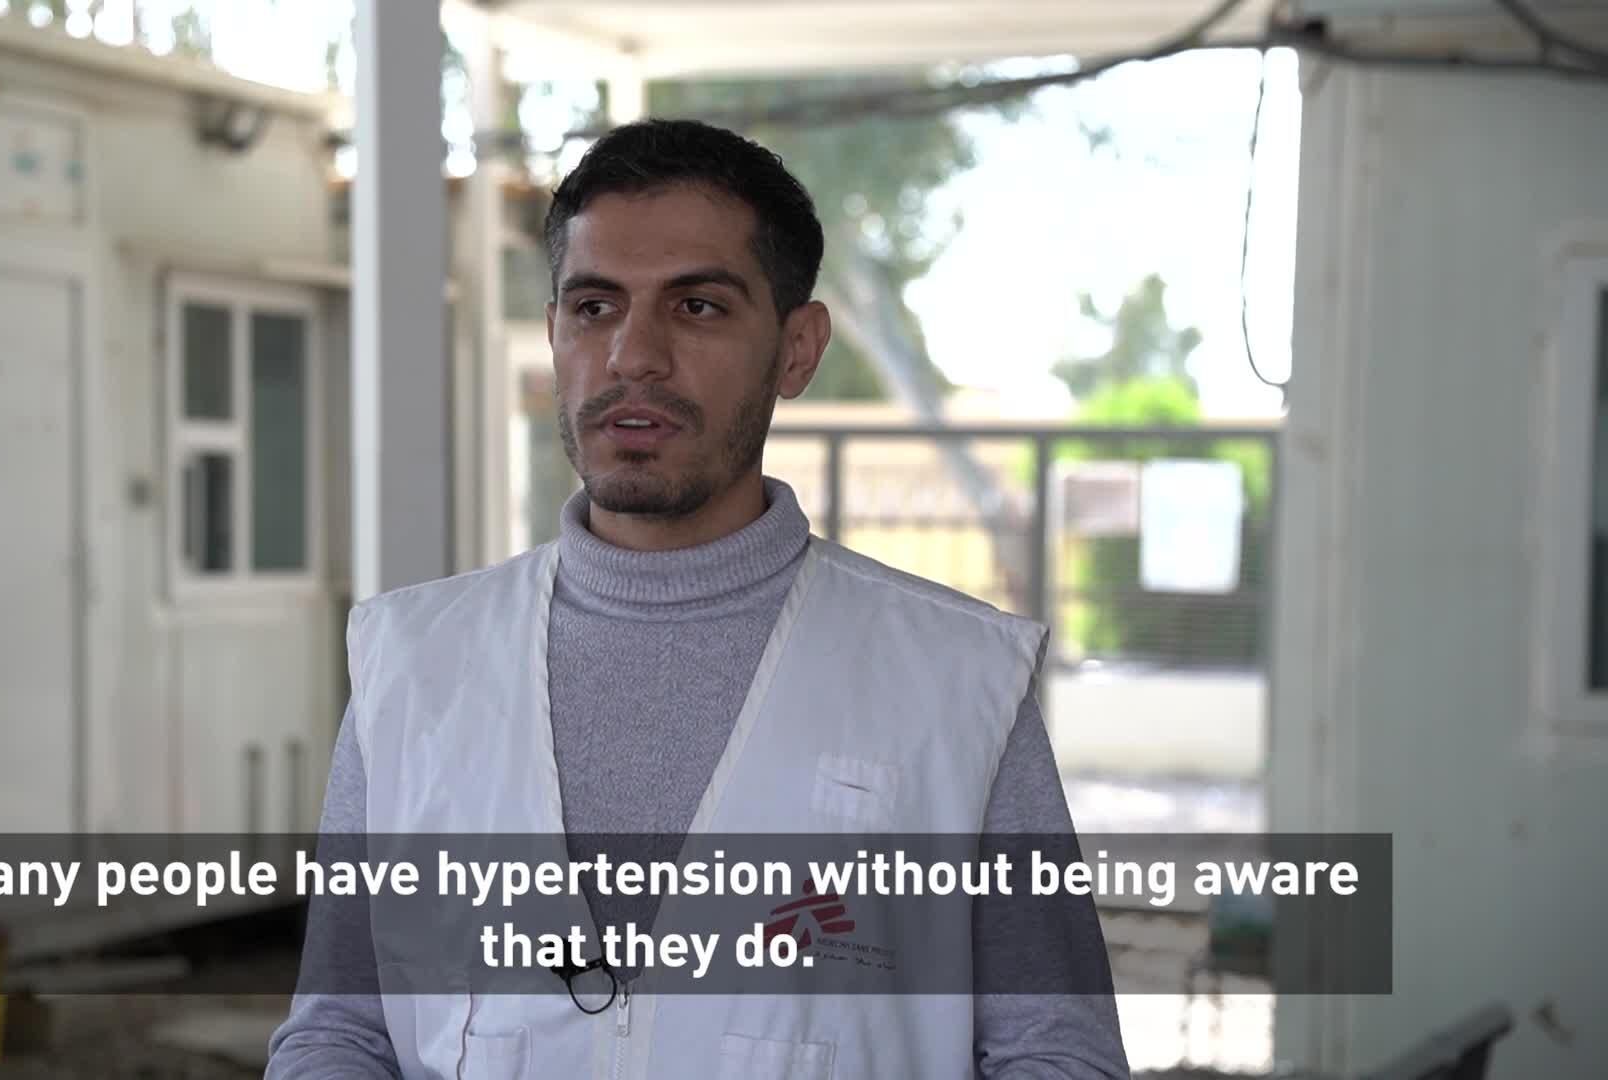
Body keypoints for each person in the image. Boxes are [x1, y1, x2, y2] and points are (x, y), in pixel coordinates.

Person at [268, 118, 1129, 1078]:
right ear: (553, 333)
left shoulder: (956, 680)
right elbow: (338, 1030)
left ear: (796, 350)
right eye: (595, 306)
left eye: (698, 306)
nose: (633, 355)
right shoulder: (413, 665)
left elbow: (1057, 1052)